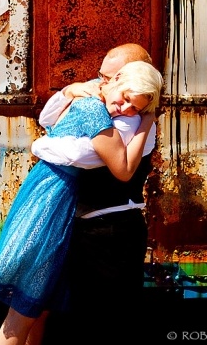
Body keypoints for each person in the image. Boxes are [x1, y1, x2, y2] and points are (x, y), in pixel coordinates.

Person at [0, 60, 163, 345]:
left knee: (37, 305)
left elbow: (54, 127)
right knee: (24, 308)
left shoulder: (94, 103)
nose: (125, 109)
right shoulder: (94, 110)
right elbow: (122, 168)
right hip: (50, 203)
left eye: (135, 108)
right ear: (116, 79)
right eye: (125, 98)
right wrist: (146, 122)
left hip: (54, 197)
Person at [33, 43, 158, 344]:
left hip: (111, 232)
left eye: (109, 77)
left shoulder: (129, 121)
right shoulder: (108, 98)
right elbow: (48, 118)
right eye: (101, 76)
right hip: (94, 230)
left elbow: (83, 154)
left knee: (102, 318)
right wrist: (68, 92)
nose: (100, 83)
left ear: (128, 78)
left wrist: (39, 146)